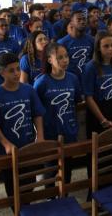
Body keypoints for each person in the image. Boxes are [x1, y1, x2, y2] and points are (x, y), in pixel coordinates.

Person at [0, 53, 45, 198]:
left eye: (17, 69)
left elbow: (37, 114)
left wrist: (40, 136)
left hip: (28, 145)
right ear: (2, 72)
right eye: (11, 70)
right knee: (12, 188)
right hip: (8, 150)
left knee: (29, 183)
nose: (16, 73)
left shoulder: (28, 90)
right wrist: (6, 144)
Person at [34, 43, 82, 184]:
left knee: (67, 170)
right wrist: (40, 135)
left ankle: (65, 197)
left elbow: (76, 102)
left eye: (66, 56)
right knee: (50, 171)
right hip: (50, 133)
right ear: (49, 60)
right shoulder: (41, 82)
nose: (65, 60)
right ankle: (50, 199)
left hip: (68, 131)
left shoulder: (73, 78)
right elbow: (36, 111)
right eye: (60, 57)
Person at [83, 31, 112, 136]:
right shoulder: (91, 67)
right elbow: (88, 97)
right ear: (98, 48)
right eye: (106, 46)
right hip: (98, 111)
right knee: (99, 149)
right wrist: (102, 120)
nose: (110, 49)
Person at [57, 11, 94, 83]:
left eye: (84, 19)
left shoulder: (91, 40)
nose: (82, 22)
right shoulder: (62, 42)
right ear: (72, 22)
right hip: (70, 81)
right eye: (79, 19)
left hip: (88, 79)